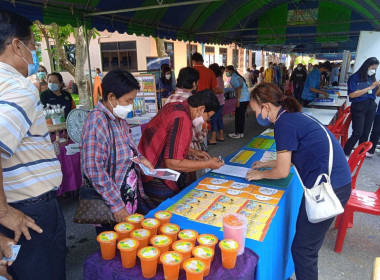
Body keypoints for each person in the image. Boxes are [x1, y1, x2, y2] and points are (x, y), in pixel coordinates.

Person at [246, 83, 352, 280]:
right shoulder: (291, 117)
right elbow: (290, 155)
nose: (256, 115)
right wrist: (265, 164)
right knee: (305, 248)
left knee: (304, 251)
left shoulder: (283, 125)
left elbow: (282, 171)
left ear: (266, 106)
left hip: (330, 187)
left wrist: (261, 174)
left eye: (255, 110)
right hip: (337, 180)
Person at [0, 10, 65, 279]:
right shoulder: (19, 86)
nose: (34, 55)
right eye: (33, 47)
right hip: (27, 210)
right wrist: (3, 211)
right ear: (17, 45)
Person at [81, 69, 155, 226]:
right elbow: (93, 168)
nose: (131, 106)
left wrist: (141, 160)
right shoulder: (97, 121)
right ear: (111, 97)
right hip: (111, 204)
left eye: (133, 100)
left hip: (126, 197)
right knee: (116, 245)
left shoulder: (118, 118)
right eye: (128, 101)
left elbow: (128, 149)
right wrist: (116, 205)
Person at [138, 90, 224, 207]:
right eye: (207, 117)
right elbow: (173, 163)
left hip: (147, 164)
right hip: (156, 174)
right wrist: (207, 164)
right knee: (164, 213)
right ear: (201, 109)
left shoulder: (174, 106)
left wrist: (192, 152)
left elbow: (167, 140)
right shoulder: (182, 119)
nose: (205, 121)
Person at [343, 57, 380, 157]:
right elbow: (352, 94)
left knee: (365, 133)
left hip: (371, 106)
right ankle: (345, 154)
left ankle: (359, 156)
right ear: (367, 66)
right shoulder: (355, 77)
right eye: (372, 68)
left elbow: (376, 94)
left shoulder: (372, 78)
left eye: (375, 68)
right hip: (359, 106)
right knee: (357, 132)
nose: (373, 70)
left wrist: (378, 87)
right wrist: (371, 87)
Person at [225, 65, 250, 139]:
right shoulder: (237, 76)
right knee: (241, 116)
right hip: (246, 97)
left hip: (242, 98)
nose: (226, 73)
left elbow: (238, 89)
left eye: (227, 71)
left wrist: (238, 101)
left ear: (231, 71)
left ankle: (237, 133)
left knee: (238, 116)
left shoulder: (233, 78)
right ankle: (241, 132)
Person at [208, 63, 225, 144]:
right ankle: (221, 135)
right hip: (221, 101)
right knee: (218, 118)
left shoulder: (215, 79)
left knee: (214, 119)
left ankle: (213, 138)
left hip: (216, 102)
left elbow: (215, 90)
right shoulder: (220, 77)